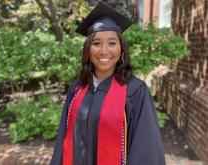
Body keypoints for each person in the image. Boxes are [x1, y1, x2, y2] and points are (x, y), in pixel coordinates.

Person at [50, 2, 166, 165]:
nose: (104, 51)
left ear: (121, 49)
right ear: (88, 49)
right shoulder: (77, 88)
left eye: (112, 43)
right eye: (96, 43)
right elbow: (64, 137)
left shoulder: (135, 91)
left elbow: (146, 148)